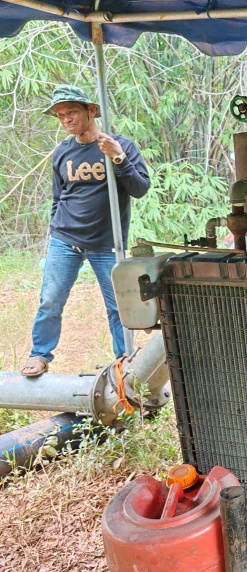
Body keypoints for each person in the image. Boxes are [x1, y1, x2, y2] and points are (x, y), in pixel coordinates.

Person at [20, 85, 150, 377]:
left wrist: (118, 158)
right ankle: (40, 354)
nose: (66, 120)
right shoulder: (62, 152)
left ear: (91, 110)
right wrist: (55, 229)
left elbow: (140, 188)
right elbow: (58, 197)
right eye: (60, 115)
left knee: (118, 305)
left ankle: (125, 361)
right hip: (65, 239)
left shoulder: (120, 145)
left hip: (107, 243)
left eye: (71, 112)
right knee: (50, 300)